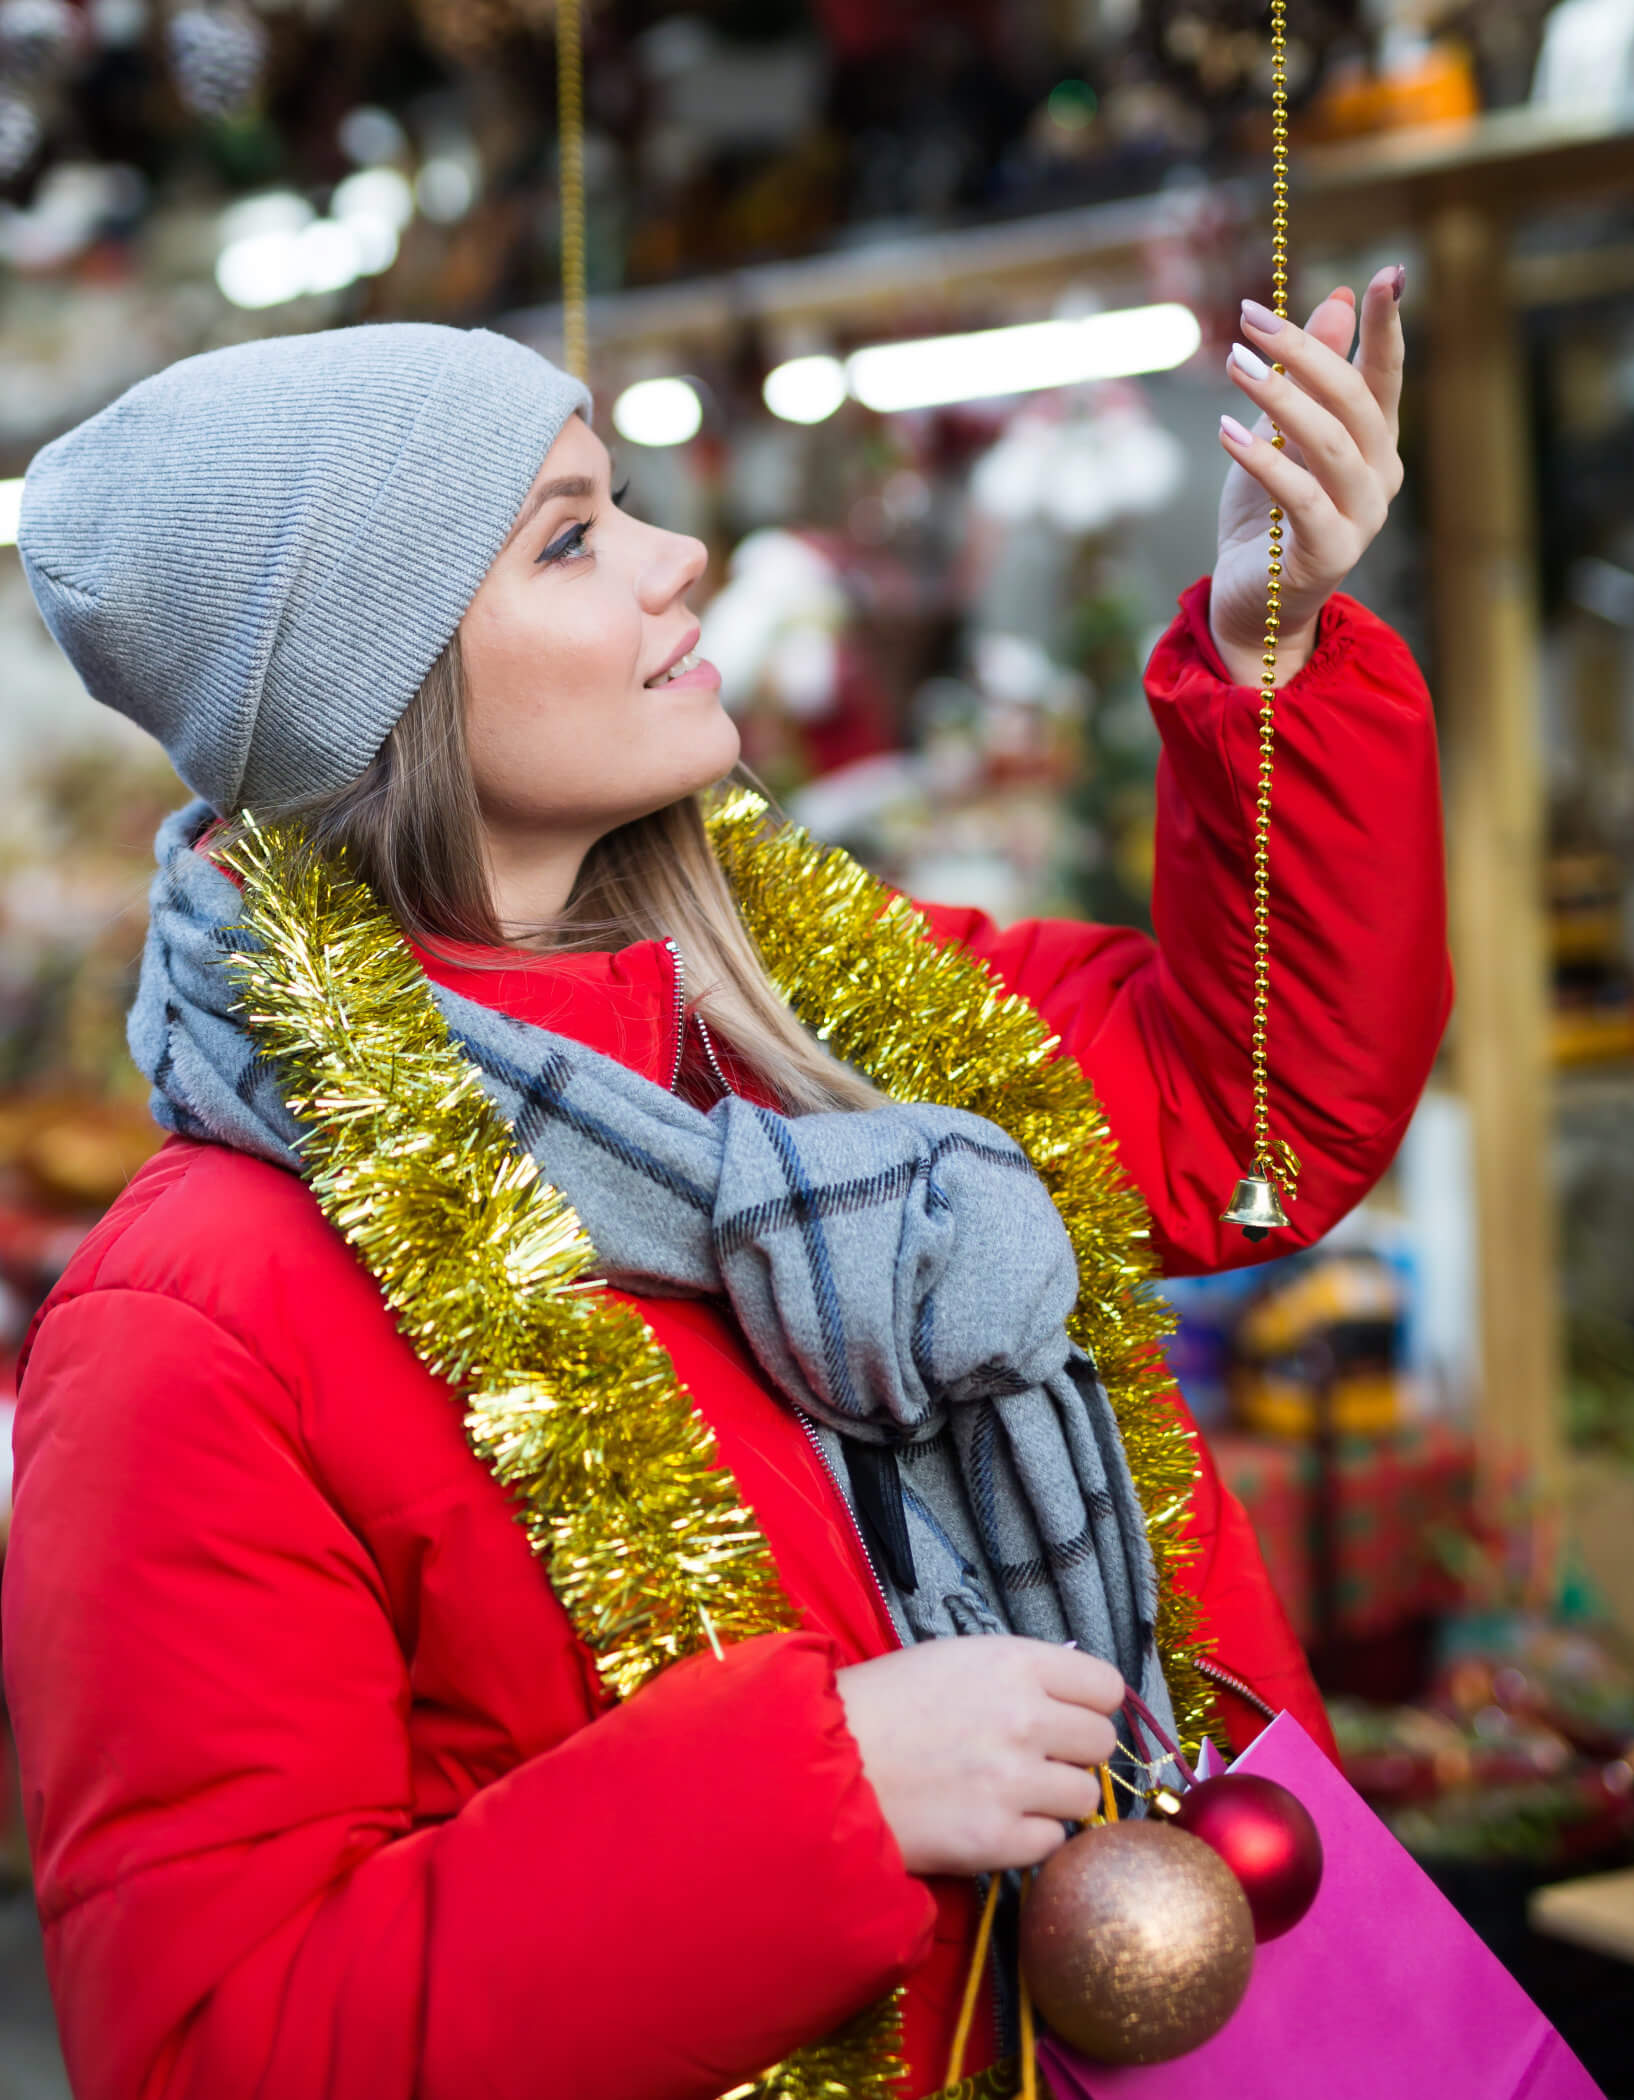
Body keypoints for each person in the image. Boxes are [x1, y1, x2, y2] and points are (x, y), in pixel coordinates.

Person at [5, 273, 1447, 2100]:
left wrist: (1269, 651)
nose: (680, 557)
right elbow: (223, 2049)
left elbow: (1253, 1130)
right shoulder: (199, 1321)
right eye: (570, 538)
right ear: (382, 691)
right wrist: (820, 1794)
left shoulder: (842, 1024)